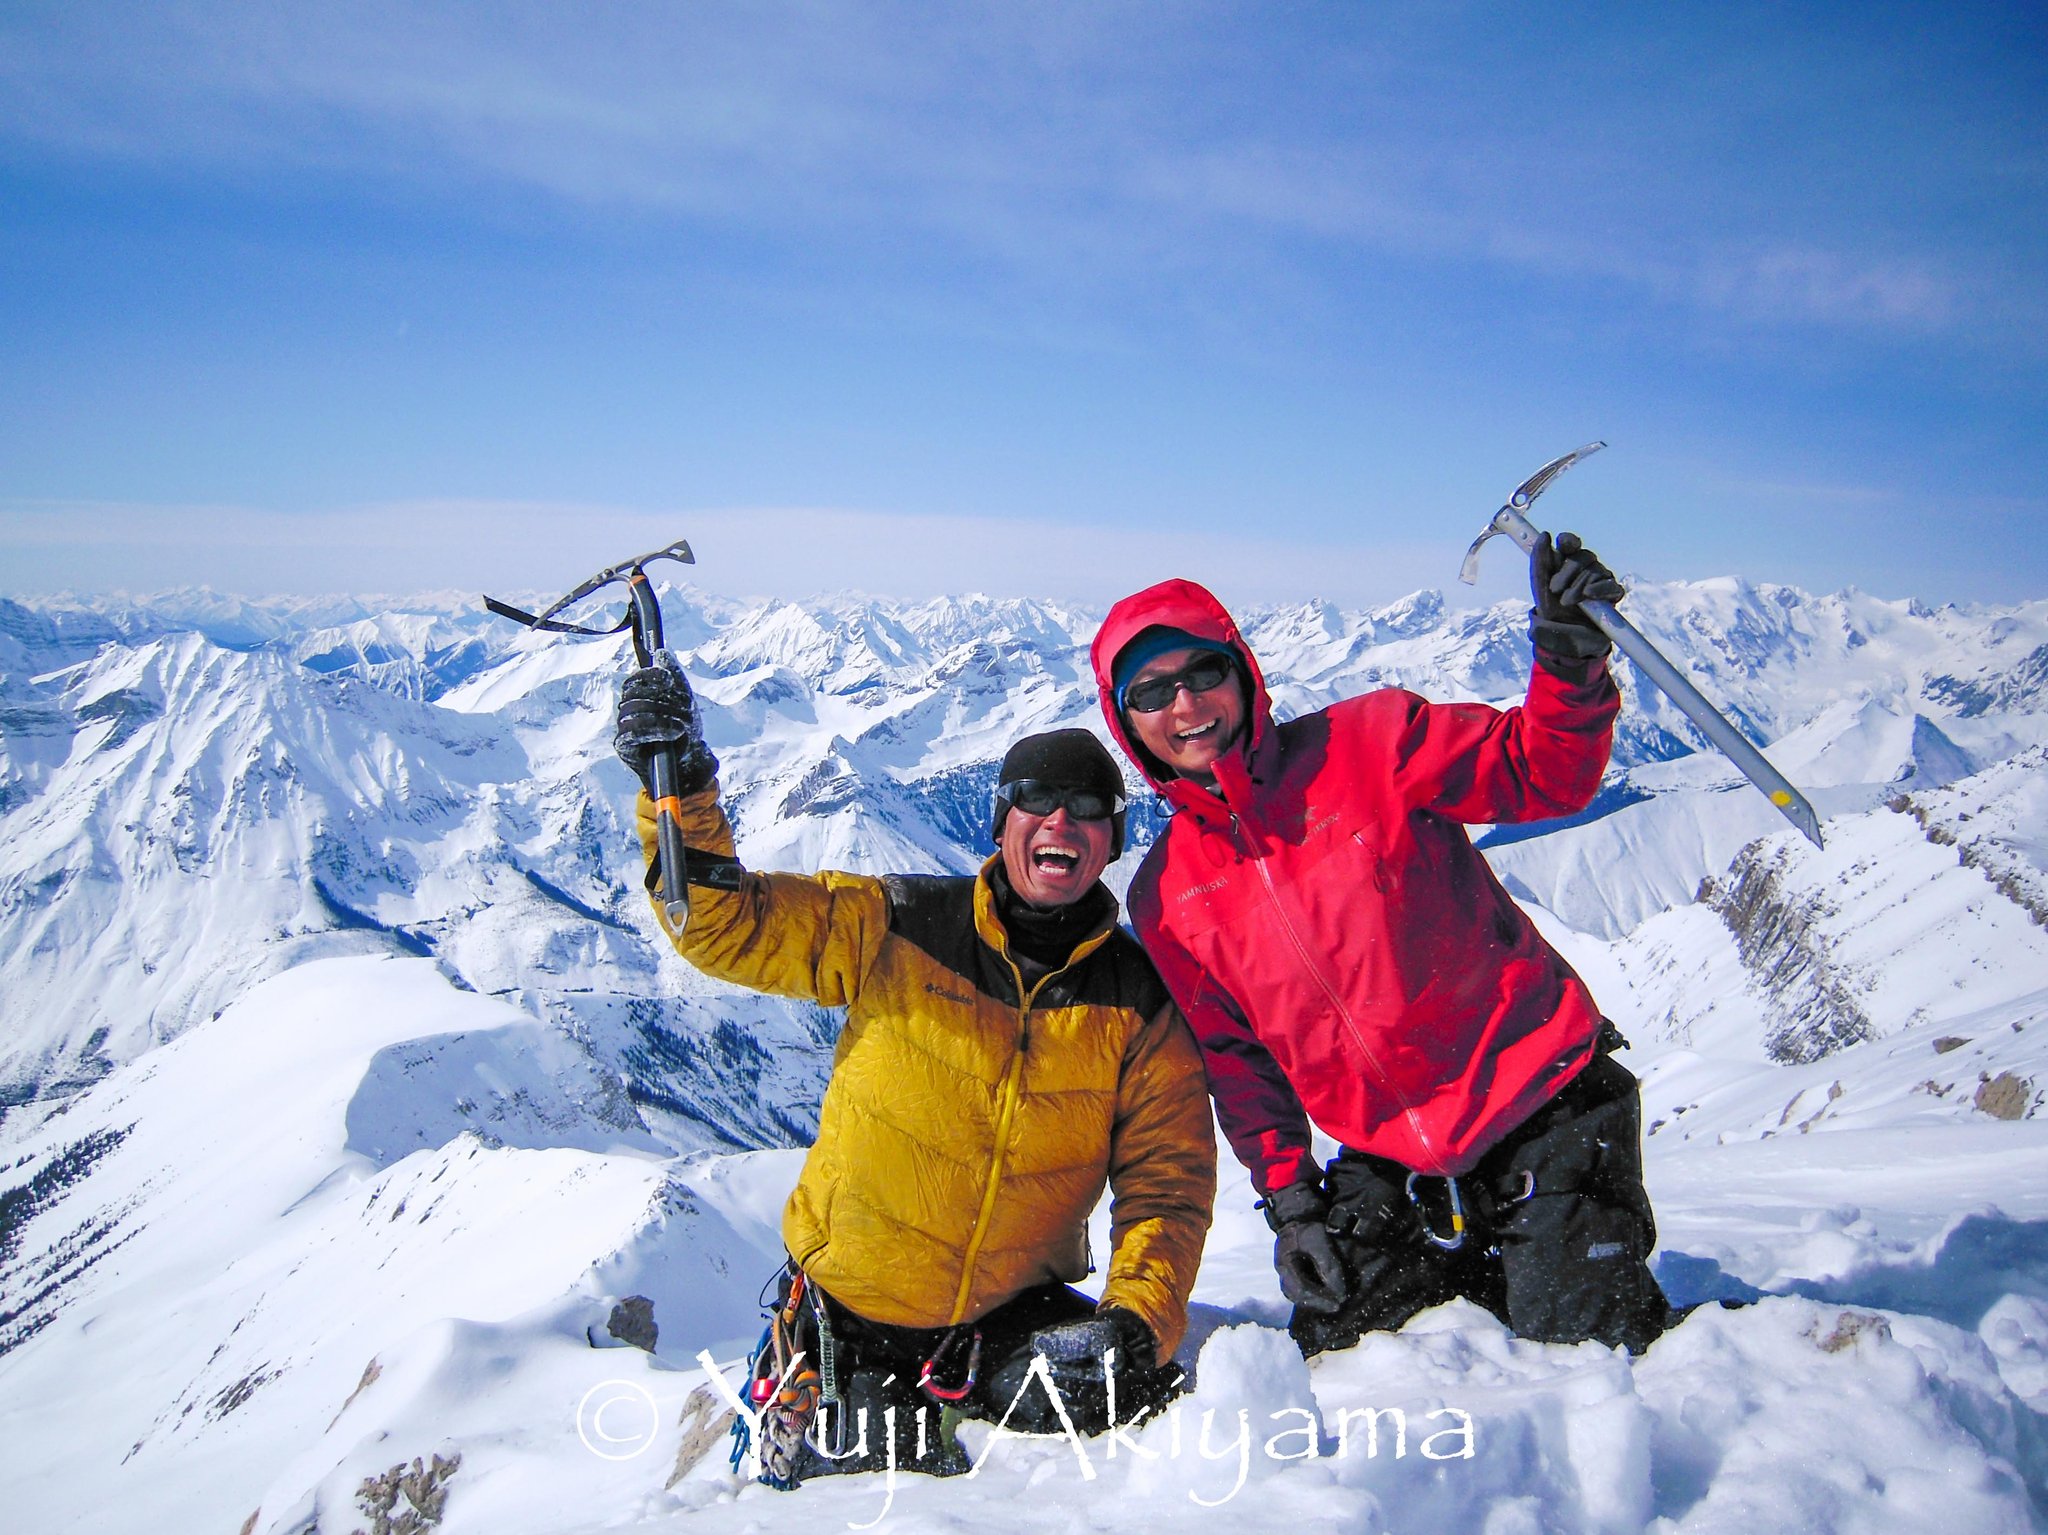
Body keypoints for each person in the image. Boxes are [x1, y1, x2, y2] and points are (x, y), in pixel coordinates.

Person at [613, 672, 1215, 1482]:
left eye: (1089, 808)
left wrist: (1136, 1321)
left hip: (1008, 1321)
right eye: (1037, 797)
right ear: (1003, 823)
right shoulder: (894, 924)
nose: (1061, 820)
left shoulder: (1136, 1004)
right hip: (848, 1323)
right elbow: (724, 926)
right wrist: (679, 786)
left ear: (1112, 840)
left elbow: (1167, 1188)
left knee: (1154, 1434)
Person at [1090, 534, 1671, 1358]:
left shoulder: (1372, 742)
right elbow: (1238, 1062)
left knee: (1585, 1356)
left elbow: (1543, 773)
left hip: (1547, 1099)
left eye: (1202, 673)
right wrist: (1293, 1204)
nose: (1184, 706)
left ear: (1241, 672)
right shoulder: (1168, 893)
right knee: (1343, 1357)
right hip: (1391, 1154)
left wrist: (1569, 660)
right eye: (1151, 692)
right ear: (1126, 720)